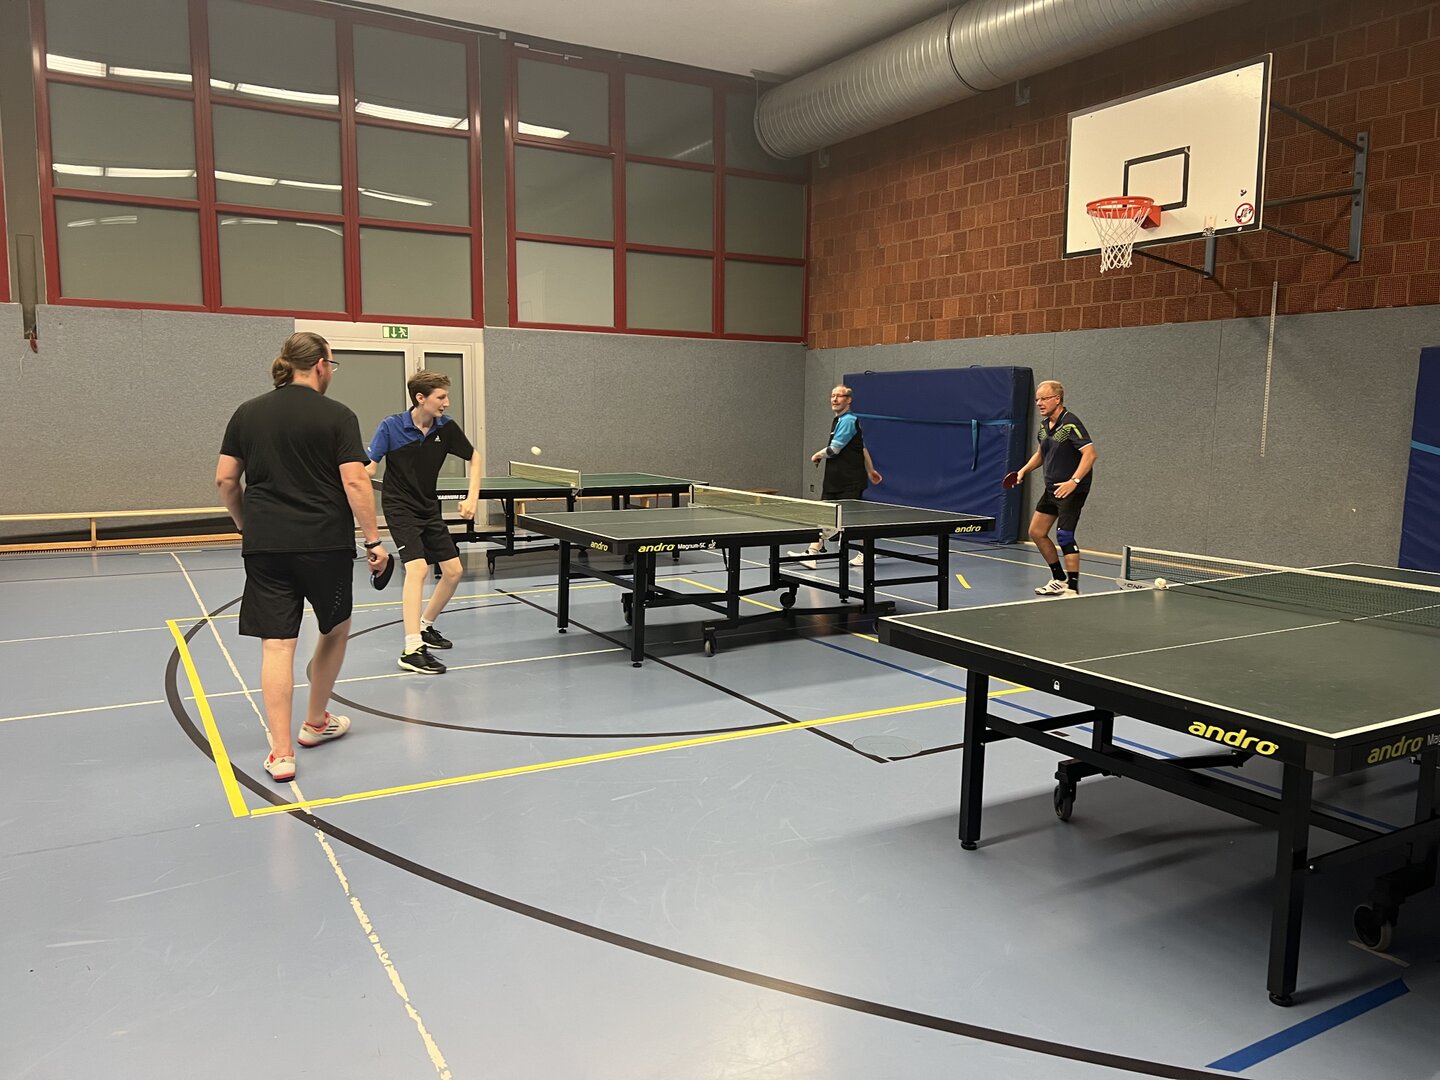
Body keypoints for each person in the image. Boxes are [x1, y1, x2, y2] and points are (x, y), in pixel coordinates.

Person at [216, 332, 390, 783]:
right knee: (335, 628)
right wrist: (374, 541)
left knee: (277, 644)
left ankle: (281, 753)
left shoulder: (247, 412)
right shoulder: (338, 415)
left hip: (266, 544)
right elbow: (355, 481)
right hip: (324, 543)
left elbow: (225, 480)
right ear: (320, 366)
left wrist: (245, 524)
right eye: (332, 364)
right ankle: (315, 722)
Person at [365, 371, 482, 675]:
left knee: (453, 571)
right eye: (441, 396)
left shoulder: (446, 427)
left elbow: (475, 457)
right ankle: (411, 648)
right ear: (421, 398)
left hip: (428, 506)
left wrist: (472, 497)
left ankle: (425, 625)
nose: (447, 402)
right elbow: (370, 467)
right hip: (399, 506)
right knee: (418, 569)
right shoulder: (391, 426)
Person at [1004, 379, 1096, 597]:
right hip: (1052, 488)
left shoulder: (1070, 423)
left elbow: (1090, 454)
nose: (1039, 403)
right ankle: (1059, 579)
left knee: (1064, 536)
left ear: (1057, 399)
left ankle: (1073, 588)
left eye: (1043, 399)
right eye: (1037, 400)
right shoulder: (1045, 426)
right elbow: (1041, 454)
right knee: (1036, 532)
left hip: (1072, 489)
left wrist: (1073, 481)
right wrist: (1023, 471)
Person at [789, 384, 882, 568]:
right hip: (835, 479)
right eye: (832, 395)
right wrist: (871, 470)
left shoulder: (848, 420)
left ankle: (865, 553)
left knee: (851, 520)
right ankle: (812, 553)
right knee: (827, 515)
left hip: (849, 480)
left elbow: (834, 450)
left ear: (849, 400)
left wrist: (817, 455)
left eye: (839, 396)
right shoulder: (839, 420)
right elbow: (861, 448)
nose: (834, 399)